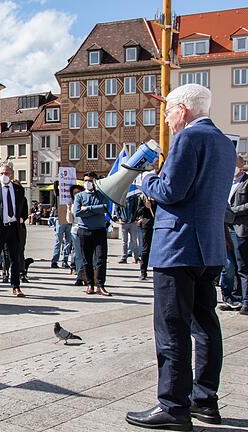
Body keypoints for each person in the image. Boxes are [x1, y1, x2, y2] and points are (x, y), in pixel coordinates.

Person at [126, 84, 233, 430]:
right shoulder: (223, 142)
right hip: (209, 248)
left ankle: (172, 405)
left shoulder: (188, 139)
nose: (167, 117)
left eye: (169, 111)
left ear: (183, 110)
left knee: (172, 327)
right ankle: (206, 401)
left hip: (178, 247)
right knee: (206, 325)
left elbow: (172, 190)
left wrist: (146, 181)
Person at [0, 164, 28, 298]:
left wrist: (20, 218)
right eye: (2, 173)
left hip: (13, 227)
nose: (4, 176)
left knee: (14, 258)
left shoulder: (18, 189)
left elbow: (23, 207)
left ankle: (16, 286)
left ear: (11, 174)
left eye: (7, 173)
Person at [73, 172, 111, 296]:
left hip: (99, 230)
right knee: (86, 259)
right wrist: (95, 209)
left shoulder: (101, 195)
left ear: (95, 182)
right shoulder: (79, 196)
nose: (87, 183)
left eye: (90, 180)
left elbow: (105, 208)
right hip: (84, 231)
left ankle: (101, 285)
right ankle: (90, 284)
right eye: (85, 180)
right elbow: (77, 212)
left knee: (101, 258)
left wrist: (88, 208)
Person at [225, 155, 248, 312]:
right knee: (228, 266)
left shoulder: (246, 182)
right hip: (225, 227)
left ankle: (246, 302)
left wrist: (233, 211)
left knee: (242, 266)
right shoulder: (226, 182)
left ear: (241, 166)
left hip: (240, 228)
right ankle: (232, 298)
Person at [67, 184, 86, 286]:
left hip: (87, 231)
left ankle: (87, 276)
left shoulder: (86, 203)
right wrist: (69, 210)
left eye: (79, 192)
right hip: (75, 231)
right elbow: (69, 221)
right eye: (75, 193)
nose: (77, 194)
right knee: (78, 256)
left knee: (87, 255)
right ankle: (79, 276)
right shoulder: (73, 205)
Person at [51, 182, 72, 269]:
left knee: (68, 241)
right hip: (59, 218)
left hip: (69, 220)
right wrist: (61, 180)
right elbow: (55, 187)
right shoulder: (58, 195)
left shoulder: (71, 195)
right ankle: (54, 261)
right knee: (58, 241)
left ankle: (65, 261)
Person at [117, 194, 141, 264]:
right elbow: (116, 209)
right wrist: (119, 218)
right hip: (124, 222)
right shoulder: (120, 198)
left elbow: (137, 208)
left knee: (134, 241)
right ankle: (124, 257)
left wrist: (137, 218)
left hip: (133, 223)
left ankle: (136, 258)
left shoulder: (134, 198)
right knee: (124, 242)